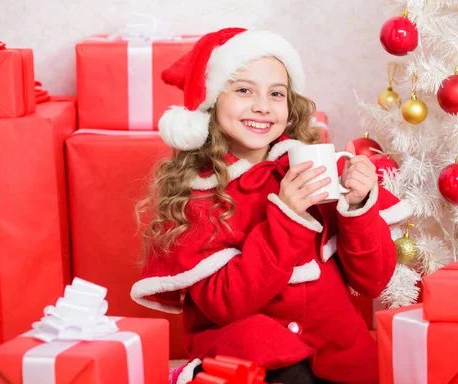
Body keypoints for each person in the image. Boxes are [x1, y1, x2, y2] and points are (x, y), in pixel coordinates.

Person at [131, 27, 413, 384]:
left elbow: (373, 280)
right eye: (244, 90)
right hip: (252, 358)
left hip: (336, 352)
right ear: (213, 100)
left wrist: (358, 207)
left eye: (276, 93)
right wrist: (290, 216)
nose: (262, 106)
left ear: (290, 106)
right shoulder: (199, 195)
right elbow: (224, 303)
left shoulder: (314, 168)